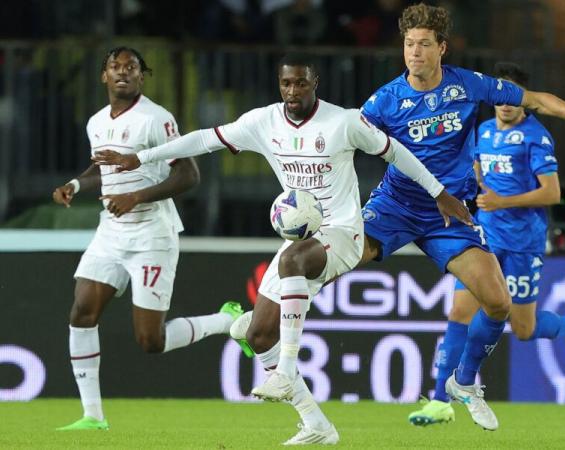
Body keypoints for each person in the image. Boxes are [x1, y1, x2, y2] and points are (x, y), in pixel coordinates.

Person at [92, 52, 470, 445]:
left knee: (291, 260)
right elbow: (204, 140)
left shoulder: (343, 122)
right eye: (286, 83)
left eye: (301, 83)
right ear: (280, 84)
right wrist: (142, 156)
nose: (293, 91)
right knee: (258, 336)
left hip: (343, 234)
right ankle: (316, 425)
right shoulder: (263, 122)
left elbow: (396, 152)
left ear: (315, 82)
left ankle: (286, 370)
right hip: (302, 238)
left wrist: (439, 192)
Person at [356, 3, 565, 431]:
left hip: (500, 232)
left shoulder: (480, 95)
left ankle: (558, 334)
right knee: (450, 308)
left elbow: (540, 121)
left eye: (424, 44)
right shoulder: (394, 103)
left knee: (514, 319)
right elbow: (347, 138)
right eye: (409, 45)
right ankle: (444, 395)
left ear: (441, 48)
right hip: (417, 210)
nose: (415, 53)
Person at [53, 47, 252, 431]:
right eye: (115, 66)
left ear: (143, 77)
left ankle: (224, 321)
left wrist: (137, 197)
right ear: (103, 76)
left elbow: (189, 175)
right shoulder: (96, 122)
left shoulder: (156, 119)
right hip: (111, 232)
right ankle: (93, 416)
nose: (123, 72)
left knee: (151, 341)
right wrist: (75, 184)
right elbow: (103, 170)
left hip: (151, 234)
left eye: (132, 67)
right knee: (81, 313)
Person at [408, 62, 565, 427]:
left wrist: (501, 202)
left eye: (512, 99)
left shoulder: (536, 136)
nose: (506, 105)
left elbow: (553, 192)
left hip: (523, 242)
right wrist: (480, 190)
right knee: (459, 313)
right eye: (500, 99)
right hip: (484, 237)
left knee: (524, 329)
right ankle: (439, 400)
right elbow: (477, 166)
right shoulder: (482, 130)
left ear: (522, 102)